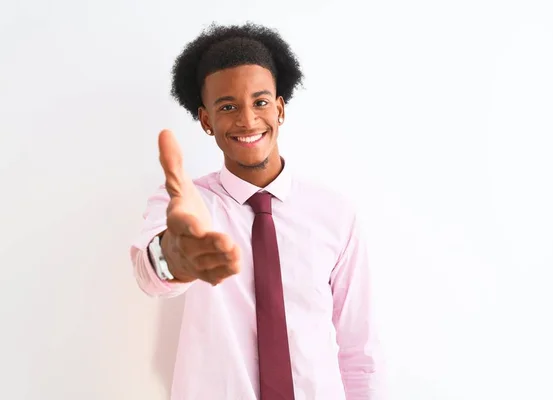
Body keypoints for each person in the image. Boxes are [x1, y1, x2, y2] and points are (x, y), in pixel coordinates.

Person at [130, 22, 386, 400]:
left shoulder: (335, 214)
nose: (248, 120)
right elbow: (149, 273)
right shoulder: (184, 203)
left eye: (261, 102)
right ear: (205, 120)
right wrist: (175, 258)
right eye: (228, 106)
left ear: (280, 109)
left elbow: (360, 350)